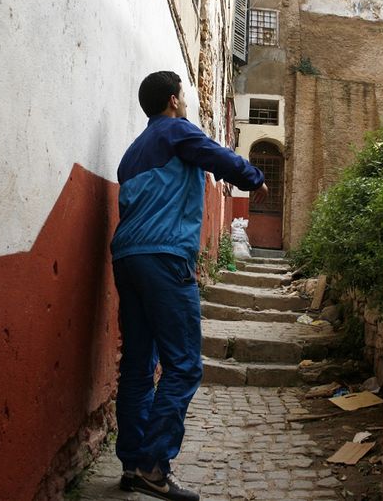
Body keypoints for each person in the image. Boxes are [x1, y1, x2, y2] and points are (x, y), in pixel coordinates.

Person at [110, 71, 267, 501]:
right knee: (184, 366)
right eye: (182, 96)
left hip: (127, 258)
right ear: (175, 101)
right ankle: (153, 465)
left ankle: (131, 464)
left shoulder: (130, 154)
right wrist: (253, 177)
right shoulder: (177, 131)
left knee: (139, 366)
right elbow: (216, 155)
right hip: (164, 258)